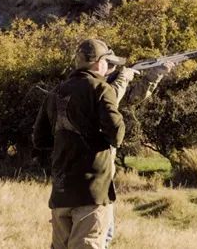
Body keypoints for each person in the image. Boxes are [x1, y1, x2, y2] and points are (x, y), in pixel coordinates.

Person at [33, 38, 173, 249]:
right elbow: (116, 134)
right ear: (99, 62)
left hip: (61, 191)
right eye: (108, 62)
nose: (110, 68)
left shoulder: (56, 92)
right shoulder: (100, 88)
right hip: (92, 190)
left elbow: (40, 140)